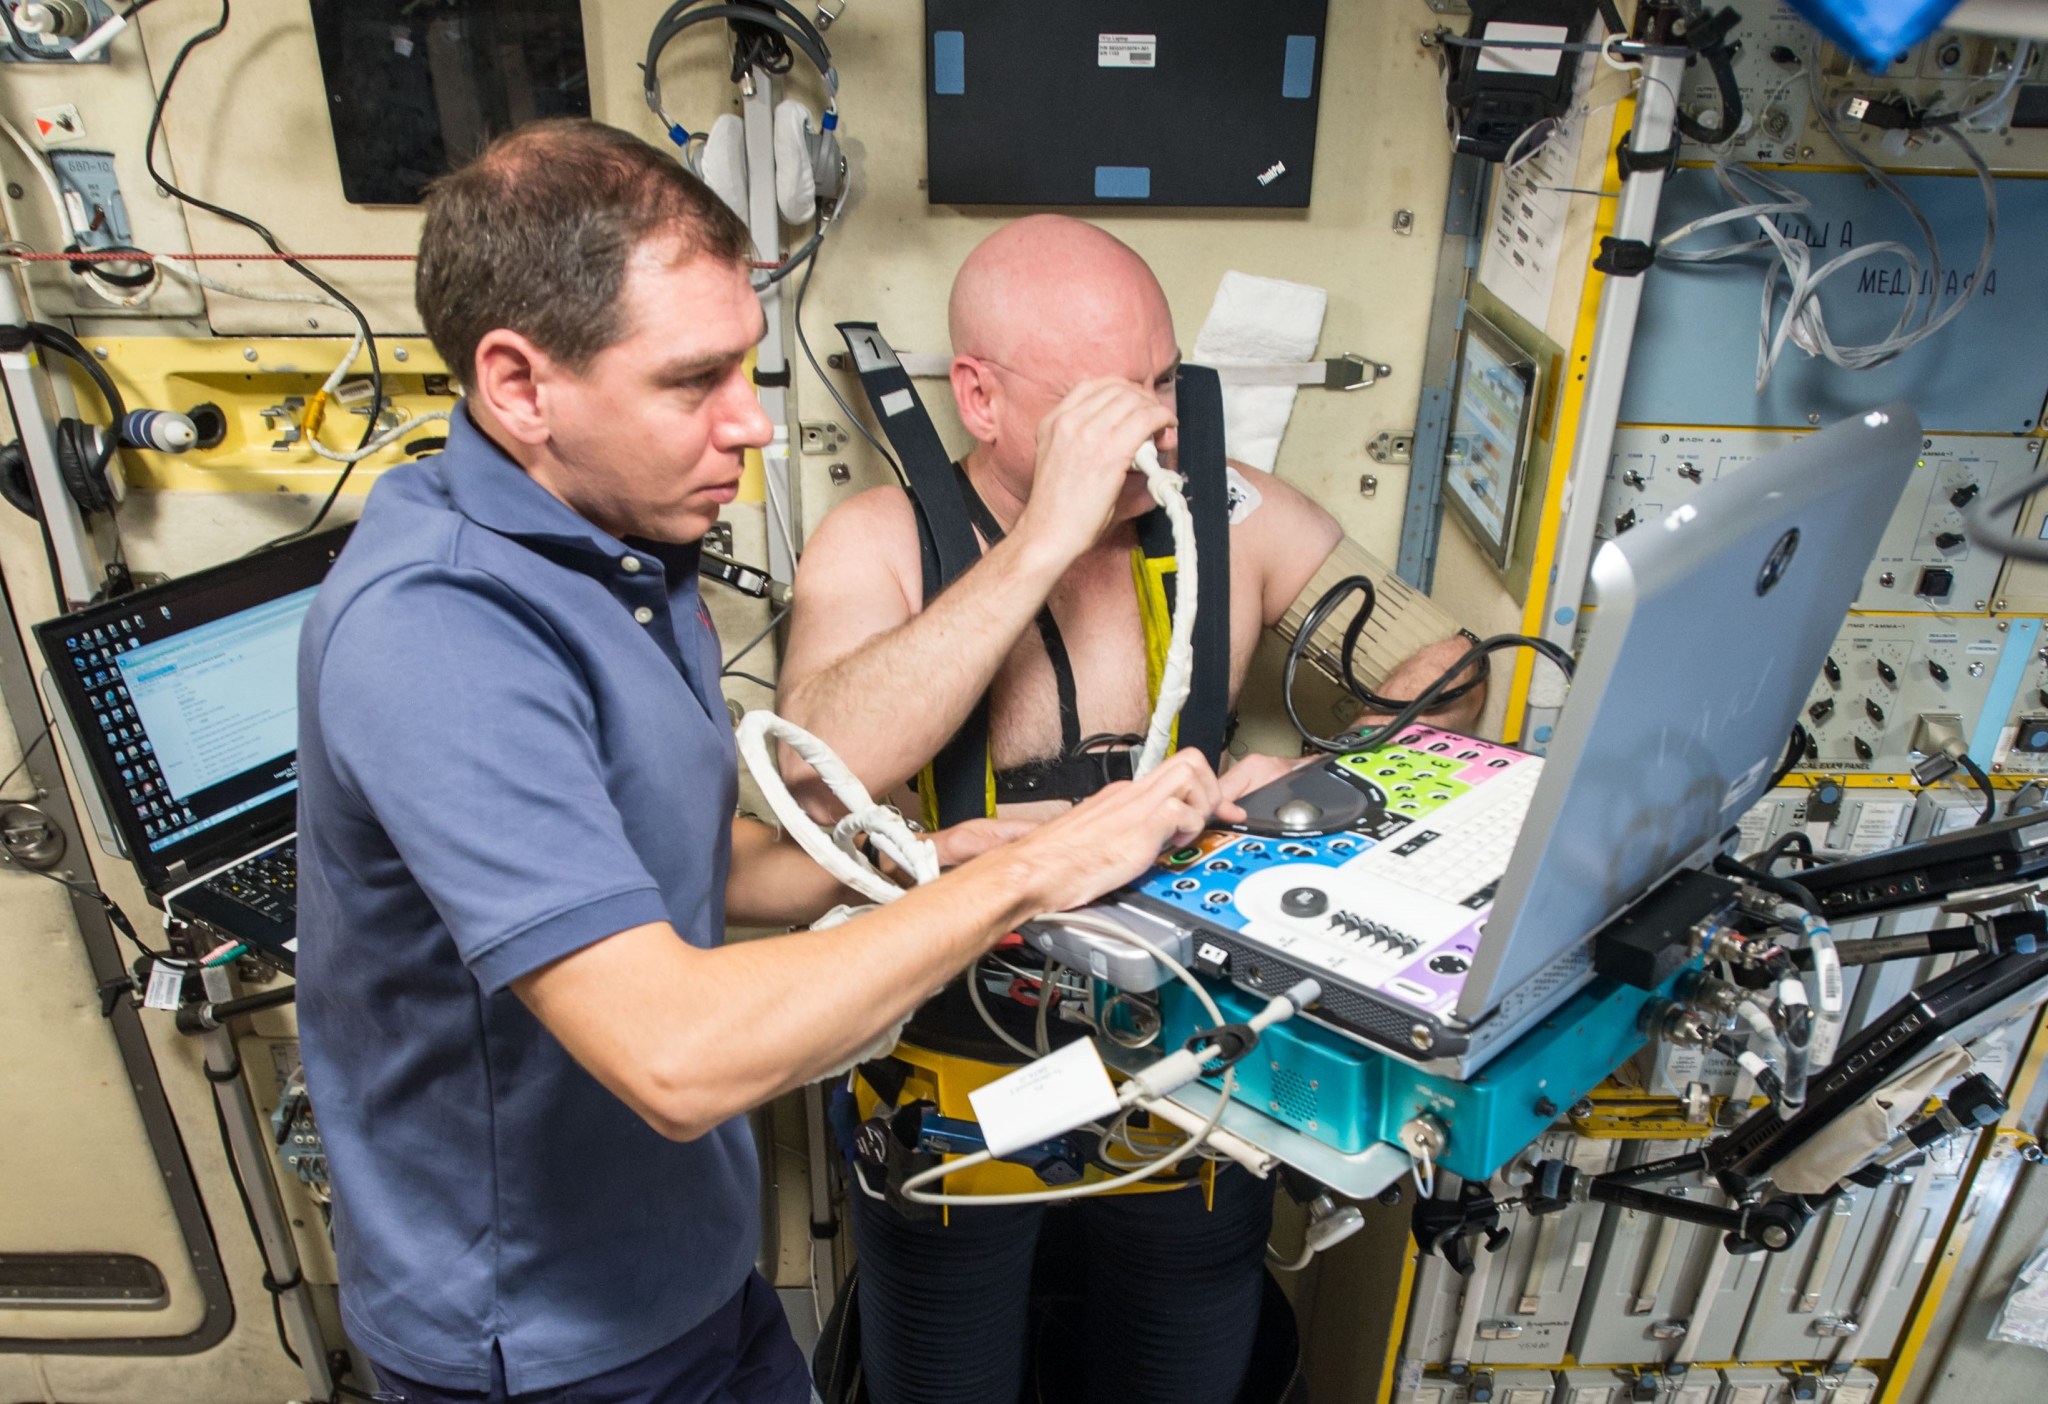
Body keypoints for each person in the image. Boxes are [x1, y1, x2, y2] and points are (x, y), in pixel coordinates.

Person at [294, 124, 1234, 1404]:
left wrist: (913, 863)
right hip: (542, 1337)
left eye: (746, 366)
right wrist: (1030, 878)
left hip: (683, 1261)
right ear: (519, 387)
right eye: (693, 381)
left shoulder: (619, 547)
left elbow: (664, 847)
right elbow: (676, 1060)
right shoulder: (439, 633)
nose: (752, 426)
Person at [776, 215, 1484, 1404]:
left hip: (1197, 1075)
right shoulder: (883, 543)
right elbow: (813, 774)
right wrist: (1043, 540)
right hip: (953, 1087)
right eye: (1108, 402)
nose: (1157, 427)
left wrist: (1319, 784)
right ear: (981, 398)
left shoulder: (1232, 519)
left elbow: (1449, 676)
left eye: (1162, 382)